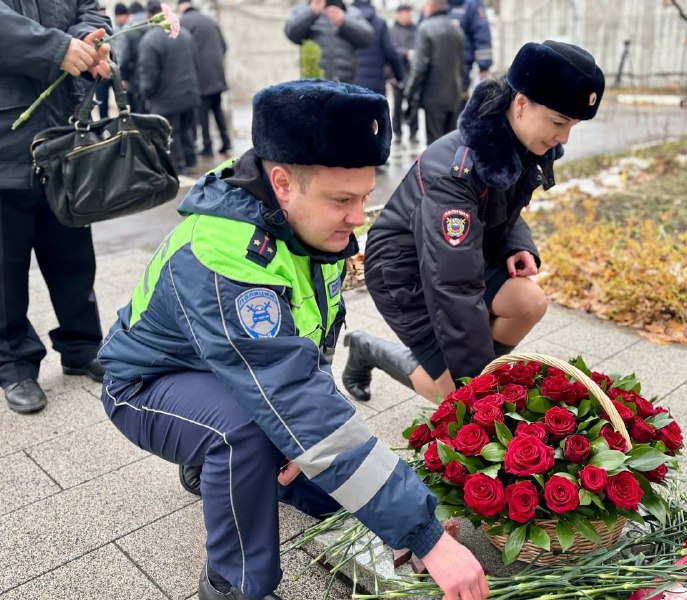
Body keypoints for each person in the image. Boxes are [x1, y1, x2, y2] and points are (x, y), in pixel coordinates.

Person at [97, 79, 489, 600]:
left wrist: (309, 450)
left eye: (366, 197)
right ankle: (232, 585)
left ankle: (208, 468)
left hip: (222, 371)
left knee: (327, 492)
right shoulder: (224, 254)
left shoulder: (305, 226)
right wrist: (426, 536)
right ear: (282, 182)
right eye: (343, 200)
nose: (358, 219)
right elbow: (293, 398)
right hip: (144, 386)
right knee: (248, 434)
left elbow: (306, 360)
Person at [342, 40, 605, 403]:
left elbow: (503, 205)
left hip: (460, 256)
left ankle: (464, 373)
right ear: (521, 103)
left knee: (528, 303)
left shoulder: (516, 141)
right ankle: (368, 349)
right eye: (559, 122)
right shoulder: (457, 172)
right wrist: (482, 395)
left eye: (572, 125)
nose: (564, 138)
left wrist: (517, 243)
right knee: (455, 397)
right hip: (405, 272)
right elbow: (452, 287)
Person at [0, 0, 112, 414]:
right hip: (5, 137)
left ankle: (82, 345)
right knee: (5, 268)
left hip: (65, 133)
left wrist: (88, 40)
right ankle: (14, 363)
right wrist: (55, 49)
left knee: (73, 253)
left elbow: (93, 9)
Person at [138, 0, 200, 173]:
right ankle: (191, 161)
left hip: (166, 97)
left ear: (149, 16)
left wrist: (146, 94)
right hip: (189, 93)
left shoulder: (149, 40)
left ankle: (178, 167)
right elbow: (196, 63)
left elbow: (149, 74)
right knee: (186, 129)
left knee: (171, 134)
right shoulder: (185, 34)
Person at [405, 0, 464, 144]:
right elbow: (462, 64)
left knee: (435, 145)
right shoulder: (457, 29)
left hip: (433, 95)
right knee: (451, 144)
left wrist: (410, 90)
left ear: (431, 6)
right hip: (454, 94)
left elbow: (419, 66)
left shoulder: (425, 28)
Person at [178, 0, 232, 156]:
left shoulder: (184, 22)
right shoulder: (209, 20)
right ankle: (226, 141)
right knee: (217, 108)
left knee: (202, 111)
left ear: (182, 8)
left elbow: (184, 49)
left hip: (201, 74)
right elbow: (224, 46)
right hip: (217, 71)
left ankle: (207, 145)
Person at [284, 0, 374, 84]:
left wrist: (344, 22)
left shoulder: (351, 13)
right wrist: (311, 13)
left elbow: (367, 39)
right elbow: (291, 33)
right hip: (312, 82)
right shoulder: (304, 10)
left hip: (345, 84)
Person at [352, 0, 405, 96]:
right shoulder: (379, 23)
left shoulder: (345, 21)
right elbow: (391, 53)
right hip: (376, 84)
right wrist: (399, 77)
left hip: (350, 82)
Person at [448, 0, 493, 104]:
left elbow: (481, 34)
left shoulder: (472, 4)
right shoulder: (435, 4)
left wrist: (484, 66)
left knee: (459, 101)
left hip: (461, 65)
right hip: (436, 66)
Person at [389, 3, 418, 144]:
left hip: (414, 75)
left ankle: (414, 133)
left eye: (410, 13)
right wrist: (405, 53)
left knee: (414, 105)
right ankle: (398, 133)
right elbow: (391, 52)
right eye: (405, 13)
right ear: (399, 14)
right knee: (397, 105)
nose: (408, 16)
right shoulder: (391, 31)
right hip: (397, 75)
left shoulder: (416, 29)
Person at [118, 1, 146, 112]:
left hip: (134, 77)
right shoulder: (151, 25)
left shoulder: (128, 29)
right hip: (152, 76)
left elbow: (125, 57)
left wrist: (123, 77)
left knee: (136, 111)